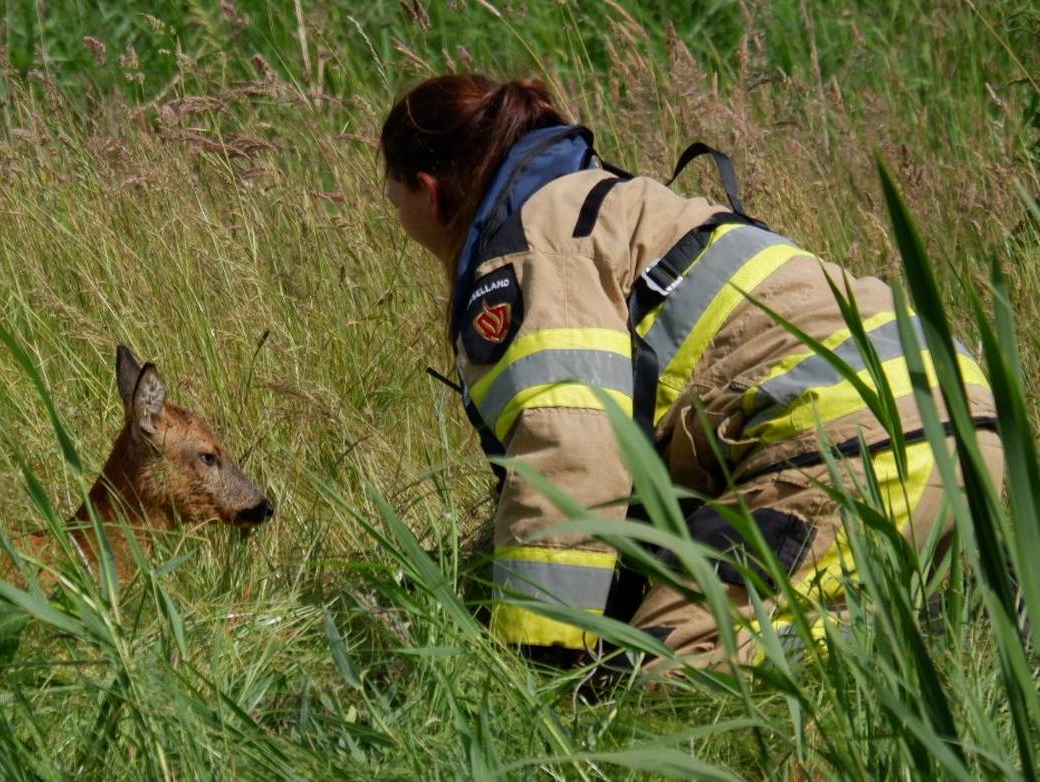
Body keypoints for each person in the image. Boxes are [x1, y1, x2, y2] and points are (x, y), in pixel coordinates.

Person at [380, 73, 1002, 671]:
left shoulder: (532, 252)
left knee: (673, 686)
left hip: (858, 456)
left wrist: (533, 662)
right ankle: (960, 627)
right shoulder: (618, 207)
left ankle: (909, 647)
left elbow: (570, 453)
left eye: (393, 194)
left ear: (429, 192)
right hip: (967, 436)